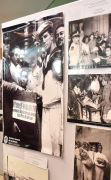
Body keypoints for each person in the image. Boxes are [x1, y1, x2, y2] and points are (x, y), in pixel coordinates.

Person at [37, 21, 63, 156]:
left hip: (55, 107)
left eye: (45, 36)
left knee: (55, 147)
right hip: (45, 105)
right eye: (42, 38)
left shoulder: (58, 55)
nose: (43, 40)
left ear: (52, 36)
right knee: (45, 146)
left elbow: (60, 82)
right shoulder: (46, 57)